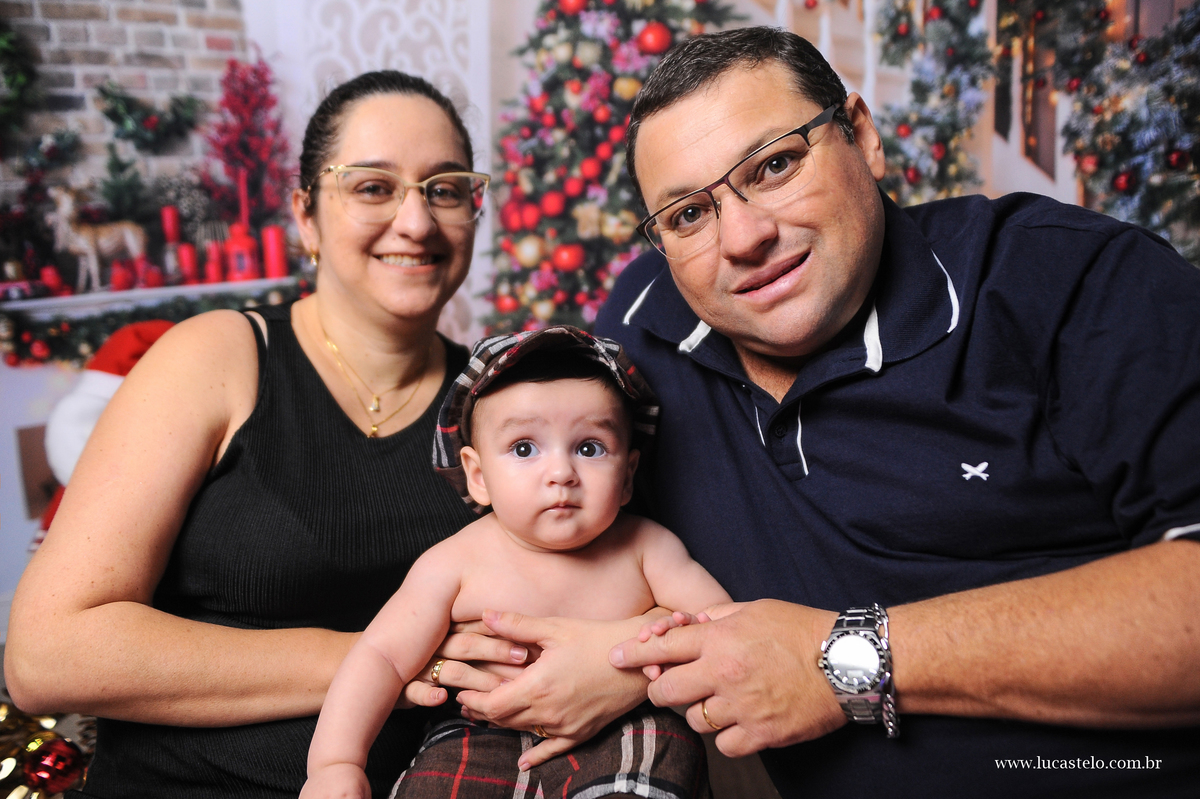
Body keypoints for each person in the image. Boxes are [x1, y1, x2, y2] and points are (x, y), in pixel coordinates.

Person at [586, 26, 1200, 799]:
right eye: (686, 214)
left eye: (774, 165)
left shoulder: (1069, 279)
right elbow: (556, 531)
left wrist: (842, 659)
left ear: (862, 136)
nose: (743, 237)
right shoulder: (641, 328)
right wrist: (608, 660)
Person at [3, 71, 524, 798]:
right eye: (373, 187)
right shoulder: (215, 358)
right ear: (306, 215)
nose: (416, 221)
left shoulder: (501, 398)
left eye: (444, 189)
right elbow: (46, 655)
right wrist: (385, 659)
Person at [301, 326, 729, 799]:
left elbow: (724, 627)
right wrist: (335, 763)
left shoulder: (649, 550)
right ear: (478, 476)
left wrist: (669, 644)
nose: (561, 473)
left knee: (651, 773)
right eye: (525, 448)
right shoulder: (455, 563)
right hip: (479, 731)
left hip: (625, 723)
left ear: (627, 476)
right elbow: (380, 656)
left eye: (589, 448)